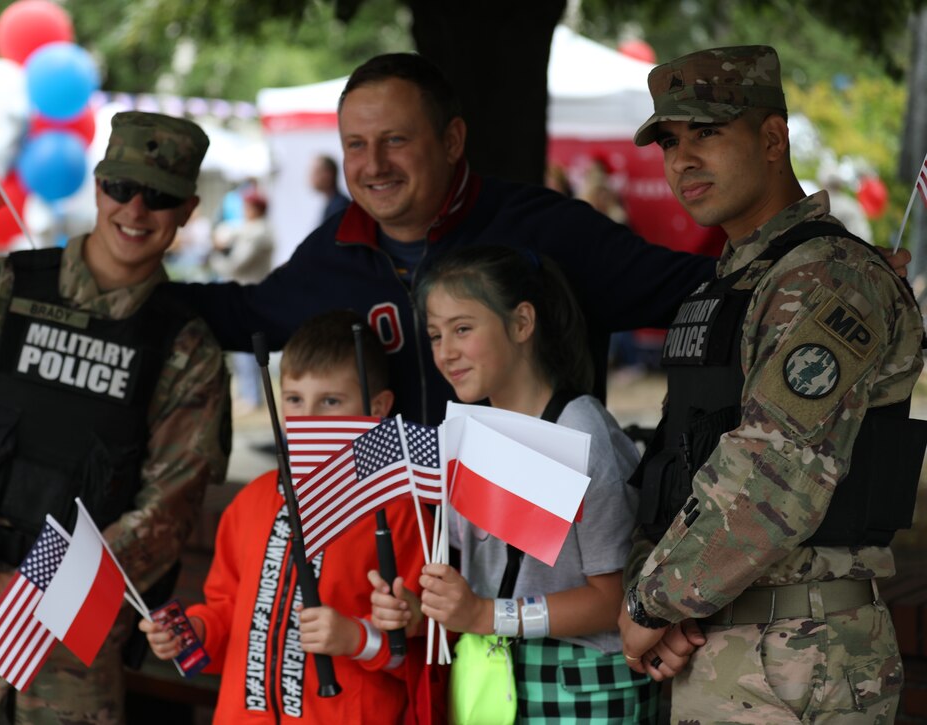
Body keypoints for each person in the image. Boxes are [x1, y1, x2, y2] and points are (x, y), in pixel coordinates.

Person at [0, 111, 232, 723]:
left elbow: (166, 512)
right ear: (97, 185)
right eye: (122, 187)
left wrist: (42, 596)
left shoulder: (185, 348)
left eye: (161, 196)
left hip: (76, 640)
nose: (136, 210)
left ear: (188, 210)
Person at [617, 46, 924, 724]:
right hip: (725, 642)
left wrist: (651, 603)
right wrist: (668, 601)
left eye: (706, 133)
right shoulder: (734, 282)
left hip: (800, 661)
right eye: (670, 140)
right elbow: (687, 457)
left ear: (772, 138)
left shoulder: (828, 276)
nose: (683, 159)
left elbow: (773, 477)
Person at [170, 52, 722, 425]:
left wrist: (795, 249)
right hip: (399, 563)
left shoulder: (545, 230)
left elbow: (703, 290)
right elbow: (244, 315)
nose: (374, 164)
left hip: (532, 564)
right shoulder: (333, 249)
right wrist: (110, 280)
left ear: (452, 139)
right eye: (356, 145)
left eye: (395, 139)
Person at [371, 246, 658, 722]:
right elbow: (480, 591)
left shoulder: (581, 432)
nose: (445, 352)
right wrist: (423, 610)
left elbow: (614, 603)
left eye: (463, 328)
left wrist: (486, 615)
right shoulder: (470, 433)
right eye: (435, 334)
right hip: (496, 681)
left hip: (583, 686)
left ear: (523, 323)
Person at [140, 309, 428, 722]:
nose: (308, 418)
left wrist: (357, 637)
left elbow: (424, 660)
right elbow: (226, 611)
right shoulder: (251, 502)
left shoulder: (400, 516)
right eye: (294, 400)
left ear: (377, 407)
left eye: (330, 401)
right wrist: (194, 633)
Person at [210, 191, 276, 410]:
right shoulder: (252, 230)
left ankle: (253, 397)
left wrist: (217, 254)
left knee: (249, 350)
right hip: (245, 296)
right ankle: (250, 394)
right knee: (244, 350)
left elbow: (235, 265)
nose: (244, 211)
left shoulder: (258, 233)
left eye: (248, 207)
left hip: (250, 296)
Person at [311, 153, 351, 223]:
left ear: (327, 175)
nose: (311, 177)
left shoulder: (339, 206)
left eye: (316, 172)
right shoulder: (331, 204)